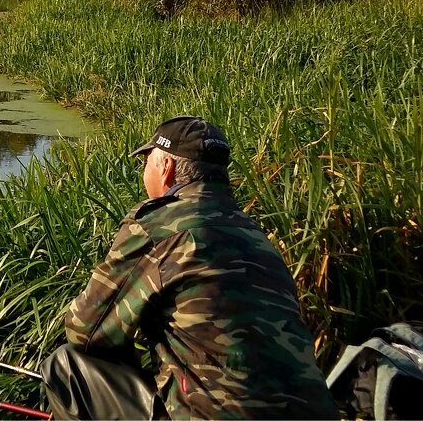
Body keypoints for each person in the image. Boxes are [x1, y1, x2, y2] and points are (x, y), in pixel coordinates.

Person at [41, 116, 338, 420]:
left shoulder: (159, 226)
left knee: (66, 365)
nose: (144, 172)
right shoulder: (254, 234)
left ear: (166, 168)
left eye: (147, 162)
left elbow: (84, 331)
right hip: (314, 413)